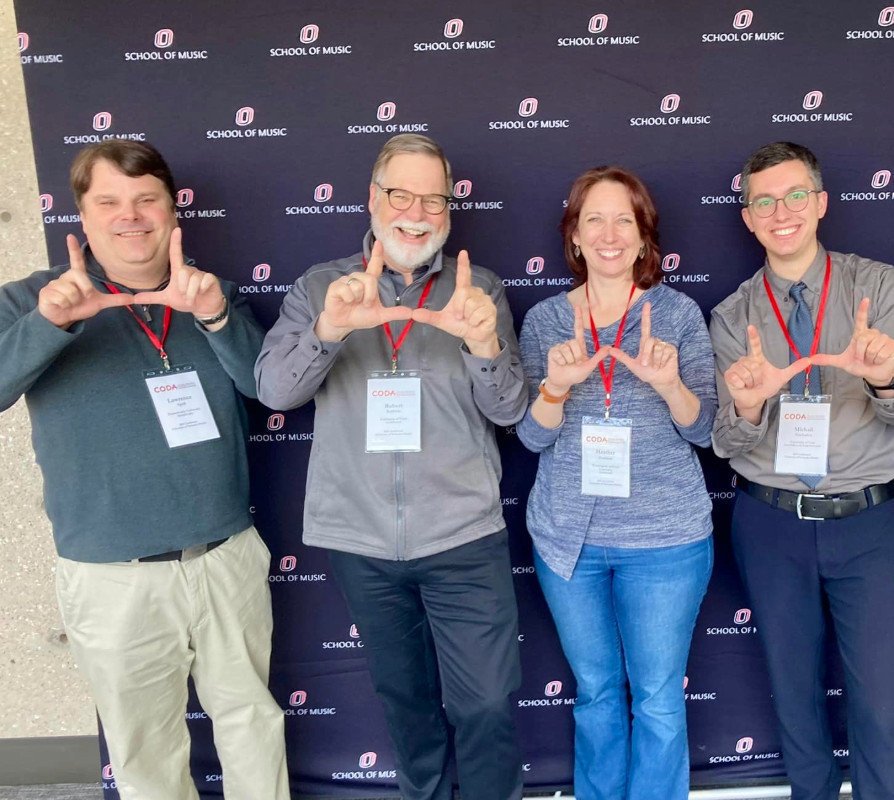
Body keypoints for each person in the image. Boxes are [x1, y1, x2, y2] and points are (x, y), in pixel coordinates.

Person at [0, 140, 288, 799]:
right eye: (109, 202)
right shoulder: (30, 299)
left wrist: (214, 315)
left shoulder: (210, 292)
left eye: (145, 200)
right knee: (144, 752)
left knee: (252, 725)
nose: (130, 217)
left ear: (172, 208)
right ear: (82, 214)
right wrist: (50, 323)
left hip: (225, 560)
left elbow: (268, 387)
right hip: (111, 578)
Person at [255, 134, 527, 800]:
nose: (417, 212)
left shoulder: (479, 289)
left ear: (450, 212)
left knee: (488, 704)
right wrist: (328, 331)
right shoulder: (323, 286)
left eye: (434, 199)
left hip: (463, 536)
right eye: (401, 194)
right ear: (374, 199)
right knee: (406, 703)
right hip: (361, 539)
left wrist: (483, 342)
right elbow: (273, 392)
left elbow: (511, 409)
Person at [709, 142, 894, 800]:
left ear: (822, 203)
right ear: (748, 218)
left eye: (795, 196)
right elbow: (725, 441)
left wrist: (886, 379)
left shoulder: (877, 287)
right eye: (764, 202)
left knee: (878, 702)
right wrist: (749, 409)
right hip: (771, 523)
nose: (781, 212)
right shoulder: (733, 315)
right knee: (794, 698)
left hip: (868, 522)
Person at [516, 166, 717, 800]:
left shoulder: (678, 313)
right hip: (568, 543)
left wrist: (667, 384)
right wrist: (556, 386)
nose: (608, 234)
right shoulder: (546, 320)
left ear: (642, 236)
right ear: (573, 236)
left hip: (665, 542)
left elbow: (707, 427)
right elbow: (530, 436)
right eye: (592, 219)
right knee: (596, 694)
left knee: (658, 699)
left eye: (623, 220)